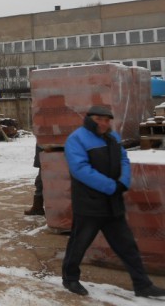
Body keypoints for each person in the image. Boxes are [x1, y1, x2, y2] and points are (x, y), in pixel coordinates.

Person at [61, 105, 165, 298]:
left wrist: (123, 182)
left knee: (127, 245)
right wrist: (111, 186)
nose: (103, 123)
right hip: (89, 204)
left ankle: (142, 285)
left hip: (113, 202)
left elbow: (124, 160)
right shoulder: (76, 139)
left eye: (107, 119)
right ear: (89, 119)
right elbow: (80, 169)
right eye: (99, 119)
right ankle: (70, 278)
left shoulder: (113, 137)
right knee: (79, 243)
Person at [24, 144, 45, 216]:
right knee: (40, 182)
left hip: (49, 156)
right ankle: (37, 207)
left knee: (40, 182)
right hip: (46, 156)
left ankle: (37, 208)